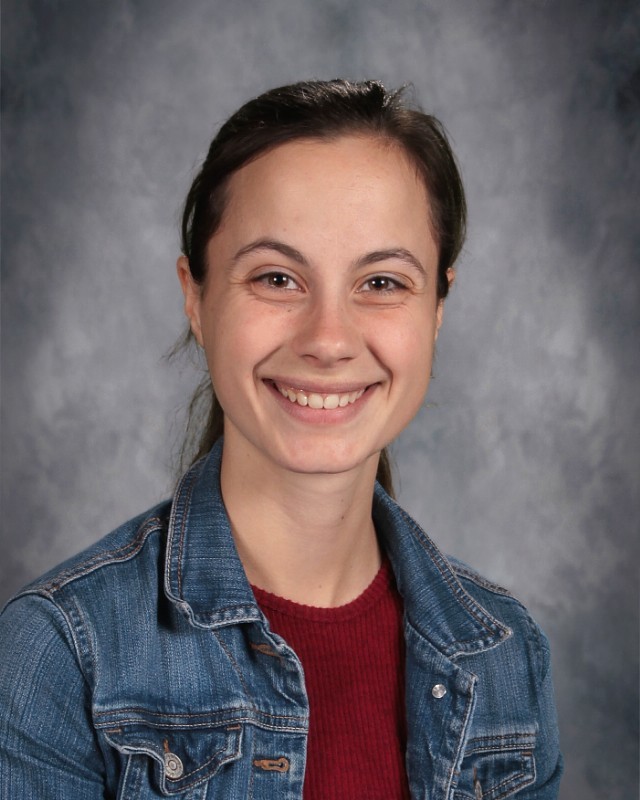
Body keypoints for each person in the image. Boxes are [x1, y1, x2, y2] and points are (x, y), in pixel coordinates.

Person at [0, 79, 562, 799]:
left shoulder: (509, 657)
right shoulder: (60, 655)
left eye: (383, 283)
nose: (328, 339)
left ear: (438, 310)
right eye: (276, 277)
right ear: (196, 299)